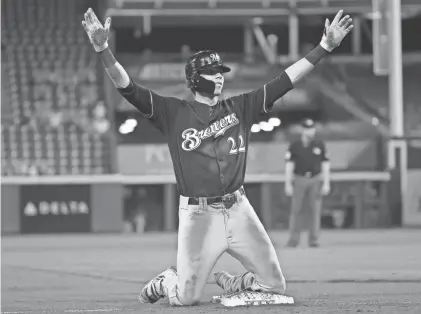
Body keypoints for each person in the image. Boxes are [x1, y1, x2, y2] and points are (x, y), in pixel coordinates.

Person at [82, 8, 352, 306]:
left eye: (221, 73)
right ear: (196, 79)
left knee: (275, 284)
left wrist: (324, 47)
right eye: (213, 73)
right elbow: (127, 88)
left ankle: (238, 282)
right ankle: (169, 279)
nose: (219, 78)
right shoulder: (173, 113)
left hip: (238, 209)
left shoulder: (241, 107)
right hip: (199, 216)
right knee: (185, 298)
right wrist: (103, 49)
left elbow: (285, 81)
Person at [284, 118, 331, 248]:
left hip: (315, 179)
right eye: (307, 128)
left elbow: (325, 164)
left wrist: (326, 183)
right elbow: (289, 165)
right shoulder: (295, 145)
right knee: (296, 210)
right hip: (299, 178)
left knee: (314, 210)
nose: (309, 131)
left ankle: (314, 239)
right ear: (303, 130)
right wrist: (287, 183)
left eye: (311, 128)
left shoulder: (319, 144)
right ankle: (293, 240)